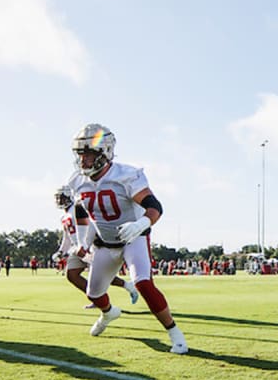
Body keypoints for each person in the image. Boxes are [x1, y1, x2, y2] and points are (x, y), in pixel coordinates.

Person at [66, 123, 187, 354]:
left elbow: (155, 206)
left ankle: (174, 333)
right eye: (81, 154)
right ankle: (109, 313)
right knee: (94, 293)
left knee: (142, 282)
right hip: (104, 243)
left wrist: (141, 223)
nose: (83, 161)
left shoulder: (126, 175)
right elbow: (82, 211)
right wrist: (82, 242)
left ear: (104, 153)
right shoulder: (77, 181)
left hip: (134, 239)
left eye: (89, 154)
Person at [54, 186, 138, 308]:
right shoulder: (64, 217)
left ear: (69, 196)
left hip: (87, 246)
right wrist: (61, 251)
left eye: (61, 198)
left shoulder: (77, 209)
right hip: (76, 249)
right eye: (58, 198)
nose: (59, 201)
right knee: (72, 275)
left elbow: (91, 226)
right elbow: (67, 237)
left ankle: (126, 287)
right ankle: (98, 300)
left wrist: (87, 245)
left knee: (100, 275)